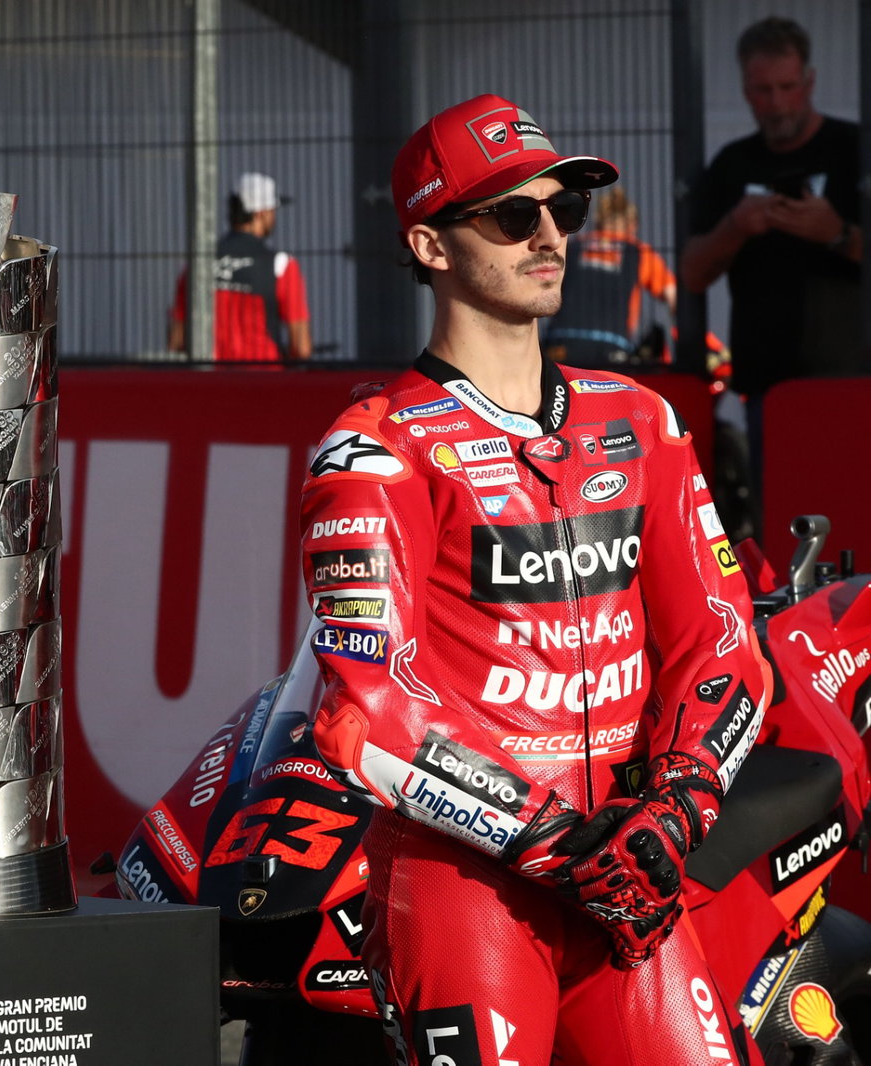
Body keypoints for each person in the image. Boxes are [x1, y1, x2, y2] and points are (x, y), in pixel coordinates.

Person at [303, 93, 773, 1063]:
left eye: (566, 210)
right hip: (463, 881)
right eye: (513, 215)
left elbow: (721, 640)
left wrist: (678, 801)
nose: (549, 234)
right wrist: (551, 842)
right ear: (431, 247)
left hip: (630, 874)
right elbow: (368, 706)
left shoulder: (640, 420)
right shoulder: (371, 448)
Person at [681, 17, 862, 520]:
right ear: (745, 89)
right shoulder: (732, 165)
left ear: (810, 82)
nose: (777, 103)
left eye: (787, 87)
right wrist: (737, 226)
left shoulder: (854, 151)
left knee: (857, 517)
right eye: (762, 90)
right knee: (786, 523)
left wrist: (838, 234)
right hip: (770, 389)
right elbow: (693, 274)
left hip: (855, 379)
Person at [167, 171, 313, 362]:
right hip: (263, 381)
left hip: (210, 381)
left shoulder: (198, 264)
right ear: (262, 213)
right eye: (273, 210)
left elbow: (176, 341)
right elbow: (302, 348)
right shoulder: (282, 266)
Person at [542, 187, 676, 367]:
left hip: (560, 342)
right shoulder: (638, 252)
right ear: (632, 225)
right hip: (611, 345)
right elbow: (673, 297)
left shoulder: (573, 247)